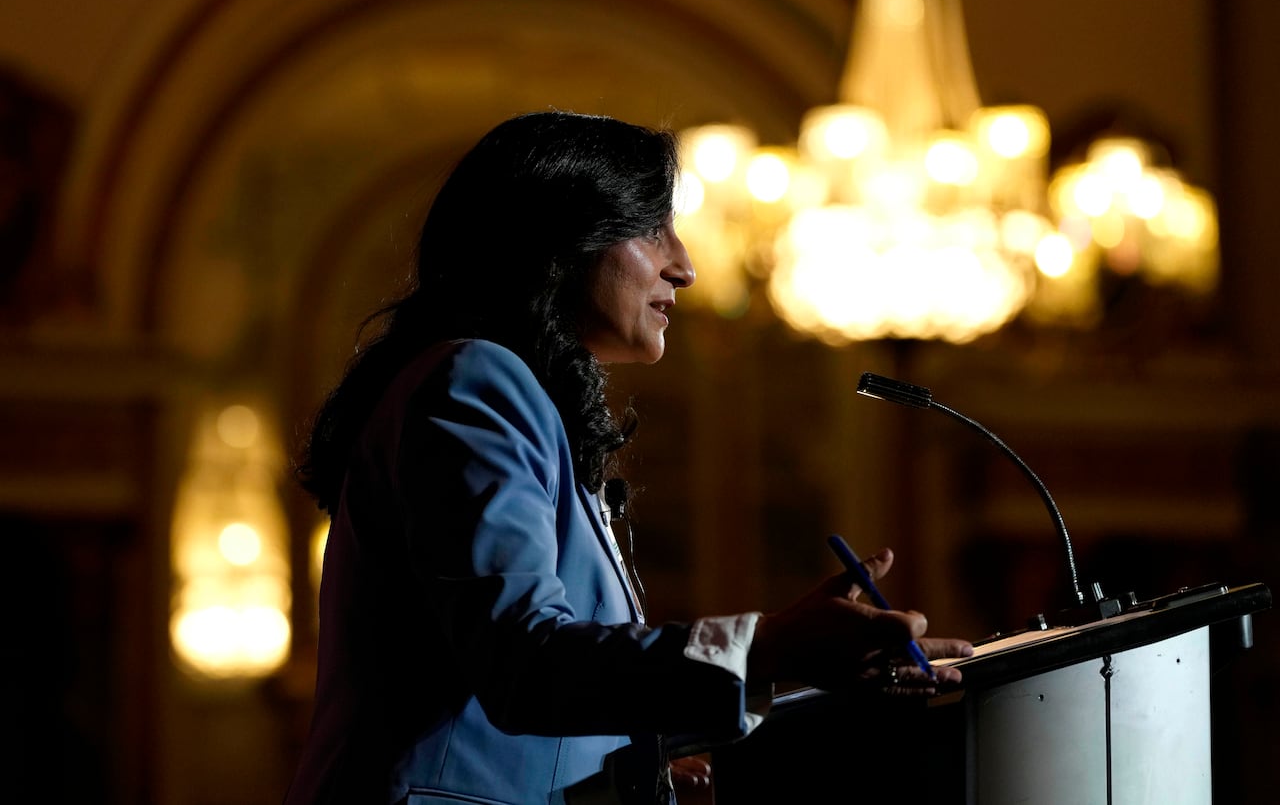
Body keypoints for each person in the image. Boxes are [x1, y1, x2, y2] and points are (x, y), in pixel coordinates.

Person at [284, 110, 971, 805]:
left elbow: (548, 696)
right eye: (653, 228)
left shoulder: (512, 397)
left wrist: (659, 757)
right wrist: (770, 645)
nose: (686, 266)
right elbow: (524, 665)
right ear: (557, 239)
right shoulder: (476, 380)